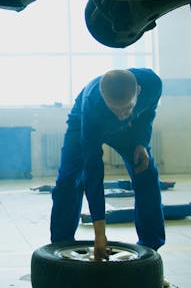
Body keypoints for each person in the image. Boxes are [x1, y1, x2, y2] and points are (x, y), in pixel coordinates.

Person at [50, 68, 165, 260]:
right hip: (86, 123)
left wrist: (141, 142)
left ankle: (150, 246)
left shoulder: (153, 84)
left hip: (128, 130)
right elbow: (93, 171)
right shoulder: (92, 106)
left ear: (138, 91)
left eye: (126, 108)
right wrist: (99, 233)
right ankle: (62, 244)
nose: (121, 115)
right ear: (104, 98)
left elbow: (148, 112)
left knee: (147, 174)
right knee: (68, 181)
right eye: (115, 110)